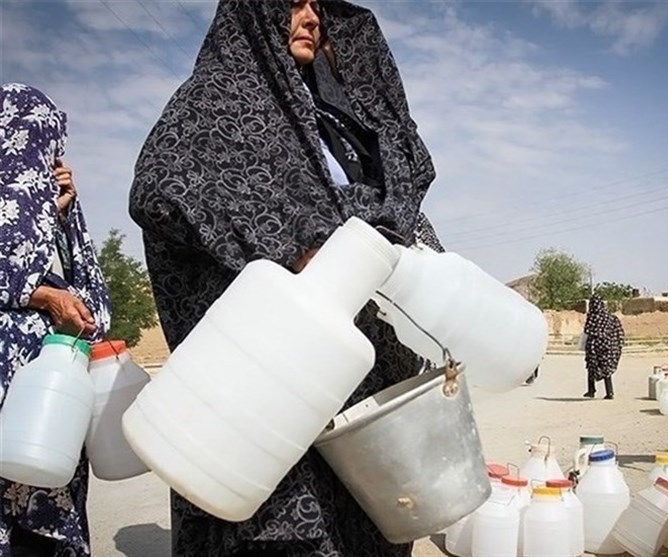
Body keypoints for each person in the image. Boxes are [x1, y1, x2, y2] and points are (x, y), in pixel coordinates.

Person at [128, 1, 441, 555]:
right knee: (282, 517)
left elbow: (388, 208)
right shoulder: (219, 99)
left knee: (370, 521)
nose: (311, 17)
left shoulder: (341, 122)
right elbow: (161, 186)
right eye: (293, 3)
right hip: (274, 370)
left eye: (319, 6)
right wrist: (288, 247)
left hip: (355, 374)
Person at [0, 83, 111, 556]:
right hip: (10, 398)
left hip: (49, 407)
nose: (49, 156)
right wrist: (38, 293)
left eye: (53, 142)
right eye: (36, 138)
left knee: (49, 525)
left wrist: (59, 215)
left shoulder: (55, 212)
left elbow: (92, 295)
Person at [582, 294, 624, 399]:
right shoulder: (610, 317)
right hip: (607, 347)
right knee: (606, 368)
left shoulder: (592, 317)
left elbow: (587, 330)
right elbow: (617, 331)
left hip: (594, 347)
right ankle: (610, 393)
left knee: (591, 367)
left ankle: (591, 391)